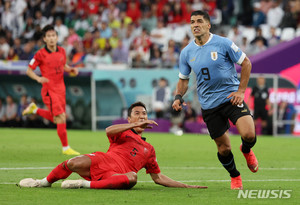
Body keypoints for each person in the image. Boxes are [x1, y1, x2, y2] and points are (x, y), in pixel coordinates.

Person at [18, 102, 207, 190]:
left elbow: (158, 178)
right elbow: (108, 130)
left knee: (132, 178)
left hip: (116, 175)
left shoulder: (149, 150)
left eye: (144, 114)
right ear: (129, 118)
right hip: (103, 160)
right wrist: (134, 126)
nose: (142, 116)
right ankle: (43, 182)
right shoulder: (123, 131)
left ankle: (83, 184)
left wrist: (185, 185)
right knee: (73, 163)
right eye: (137, 113)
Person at [172, 10, 258, 190]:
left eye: (199, 21)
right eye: (192, 21)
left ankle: (246, 149)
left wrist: (241, 91)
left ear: (208, 25)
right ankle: (235, 176)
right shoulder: (187, 52)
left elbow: (246, 63)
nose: (195, 24)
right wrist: (178, 97)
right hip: (209, 105)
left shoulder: (223, 43)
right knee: (224, 149)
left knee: (249, 134)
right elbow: (183, 79)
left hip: (231, 97)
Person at [22, 25, 80, 155]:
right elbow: (29, 70)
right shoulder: (40, 54)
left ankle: (35, 109)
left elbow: (63, 65)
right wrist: (38, 78)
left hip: (61, 89)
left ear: (57, 37)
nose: (52, 38)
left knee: (57, 119)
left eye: (53, 35)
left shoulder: (62, 51)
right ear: (44, 39)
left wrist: (71, 69)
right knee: (61, 117)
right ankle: (66, 148)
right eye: (48, 36)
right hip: (49, 90)